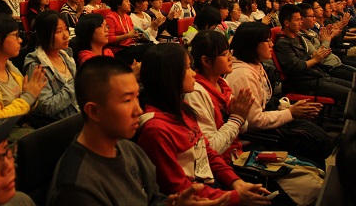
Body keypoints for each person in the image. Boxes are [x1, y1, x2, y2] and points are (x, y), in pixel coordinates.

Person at [48, 56, 228, 206]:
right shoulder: (77, 188)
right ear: (94, 111)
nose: (139, 110)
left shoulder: (129, 149)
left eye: (137, 97)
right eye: (127, 100)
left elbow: (153, 199)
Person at [137, 44, 270, 205]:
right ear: (170, 76)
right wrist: (234, 197)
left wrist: (236, 182)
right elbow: (179, 188)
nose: (194, 73)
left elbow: (207, 153)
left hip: (213, 186)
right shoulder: (155, 129)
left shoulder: (183, 110)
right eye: (188, 68)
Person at [227, 22, 332, 165]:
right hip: (254, 139)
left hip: (267, 128)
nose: (272, 44)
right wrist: (290, 113)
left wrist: (290, 109)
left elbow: (265, 105)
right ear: (252, 44)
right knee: (314, 150)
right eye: (267, 41)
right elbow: (254, 121)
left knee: (319, 141)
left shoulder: (256, 65)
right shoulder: (243, 75)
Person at [185, 30, 253, 162]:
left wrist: (240, 115)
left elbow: (243, 128)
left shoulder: (222, 84)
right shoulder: (195, 93)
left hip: (237, 154)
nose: (230, 58)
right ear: (206, 61)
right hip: (221, 163)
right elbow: (211, 148)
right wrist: (237, 118)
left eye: (229, 52)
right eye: (224, 54)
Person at [274, 4, 352, 103]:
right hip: (307, 83)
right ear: (286, 23)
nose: (300, 22)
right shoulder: (283, 43)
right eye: (297, 20)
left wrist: (314, 56)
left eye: (301, 19)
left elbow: (307, 57)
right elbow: (296, 66)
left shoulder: (297, 37)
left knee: (353, 87)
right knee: (352, 96)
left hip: (319, 75)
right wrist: (315, 59)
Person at [23, 11, 79, 120]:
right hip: (62, 123)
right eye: (59, 31)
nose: (66, 35)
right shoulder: (37, 66)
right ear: (45, 35)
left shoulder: (66, 56)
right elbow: (47, 107)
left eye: (66, 29)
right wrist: (75, 85)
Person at [105, 0, 154, 65]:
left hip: (130, 47)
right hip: (118, 50)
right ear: (118, 4)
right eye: (126, 1)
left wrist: (135, 37)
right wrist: (128, 36)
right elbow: (109, 39)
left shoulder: (127, 17)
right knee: (151, 48)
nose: (129, 3)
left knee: (153, 47)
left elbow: (130, 36)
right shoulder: (110, 18)